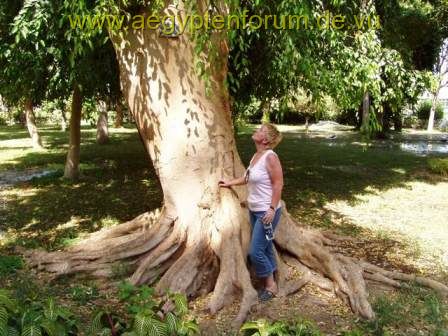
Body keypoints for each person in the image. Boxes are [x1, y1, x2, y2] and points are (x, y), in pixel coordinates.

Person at [218, 123, 284, 301]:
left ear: (266, 139)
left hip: (266, 212)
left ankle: (271, 286)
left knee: (255, 252)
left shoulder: (270, 157)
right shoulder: (257, 156)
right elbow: (247, 177)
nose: (257, 130)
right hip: (254, 210)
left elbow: (278, 184)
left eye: (260, 130)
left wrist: (271, 209)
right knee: (266, 245)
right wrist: (229, 183)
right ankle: (273, 275)